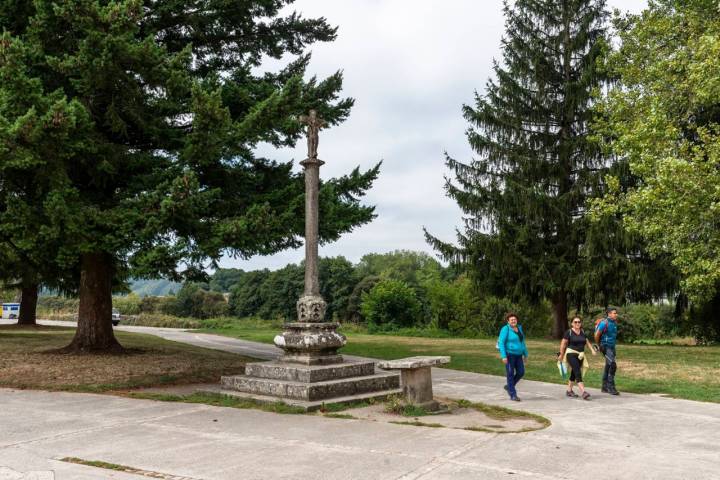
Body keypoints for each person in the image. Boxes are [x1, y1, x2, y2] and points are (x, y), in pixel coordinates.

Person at [558, 315, 597, 400]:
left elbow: (587, 342)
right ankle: (583, 392)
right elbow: (563, 343)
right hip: (571, 354)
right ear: (572, 323)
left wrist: (592, 350)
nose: (577, 323)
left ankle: (569, 391)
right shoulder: (569, 332)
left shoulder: (582, 331)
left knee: (574, 373)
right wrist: (561, 354)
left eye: (579, 322)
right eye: (575, 322)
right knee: (577, 371)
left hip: (581, 355)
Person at [497, 312, 528, 401]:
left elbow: (522, 343)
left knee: (521, 372)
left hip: (519, 355)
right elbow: (501, 343)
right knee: (510, 374)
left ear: (517, 320)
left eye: (515, 319)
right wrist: (503, 356)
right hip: (509, 355)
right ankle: (513, 395)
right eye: (511, 320)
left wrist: (525, 354)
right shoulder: (505, 329)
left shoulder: (519, 328)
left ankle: (509, 386)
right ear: (508, 321)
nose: (513, 321)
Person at [595, 306, 620, 395]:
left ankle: (604, 387)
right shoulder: (604, 323)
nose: (616, 314)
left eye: (616, 313)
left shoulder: (614, 323)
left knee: (608, 365)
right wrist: (599, 345)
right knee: (613, 365)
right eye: (614, 313)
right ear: (609, 314)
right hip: (605, 347)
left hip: (612, 347)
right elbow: (597, 334)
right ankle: (610, 387)